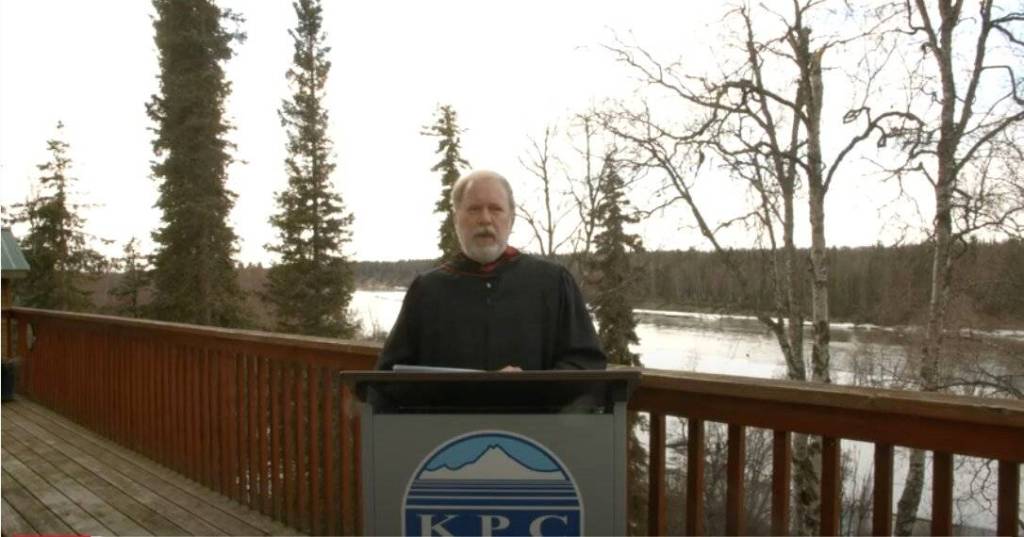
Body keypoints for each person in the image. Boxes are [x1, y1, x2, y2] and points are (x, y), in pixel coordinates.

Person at [376, 169, 606, 371]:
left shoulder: (553, 283)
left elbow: (586, 364)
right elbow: (389, 376)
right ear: (456, 220)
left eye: (495, 209)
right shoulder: (427, 291)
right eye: (474, 209)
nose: (485, 219)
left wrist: (531, 386)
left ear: (511, 219)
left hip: (532, 420)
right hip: (448, 421)